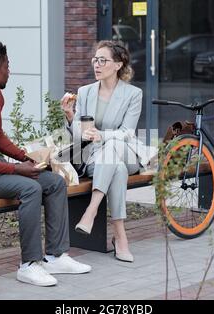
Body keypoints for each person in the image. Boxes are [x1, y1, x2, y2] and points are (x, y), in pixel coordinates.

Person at [0, 41, 91, 287]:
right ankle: (28, 265)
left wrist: (26, 157)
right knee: (30, 188)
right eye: (6, 66)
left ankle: (56, 256)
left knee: (55, 183)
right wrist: (16, 168)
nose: (9, 71)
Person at [62, 40, 150, 263]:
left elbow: (127, 133)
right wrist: (71, 117)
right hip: (93, 157)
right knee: (117, 170)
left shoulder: (133, 94)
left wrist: (103, 135)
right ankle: (120, 237)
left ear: (118, 65)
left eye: (103, 60)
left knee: (114, 149)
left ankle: (91, 211)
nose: (97, 65)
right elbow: (78, 135)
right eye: (95, 60)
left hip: (126, 152)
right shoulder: (85, 92)